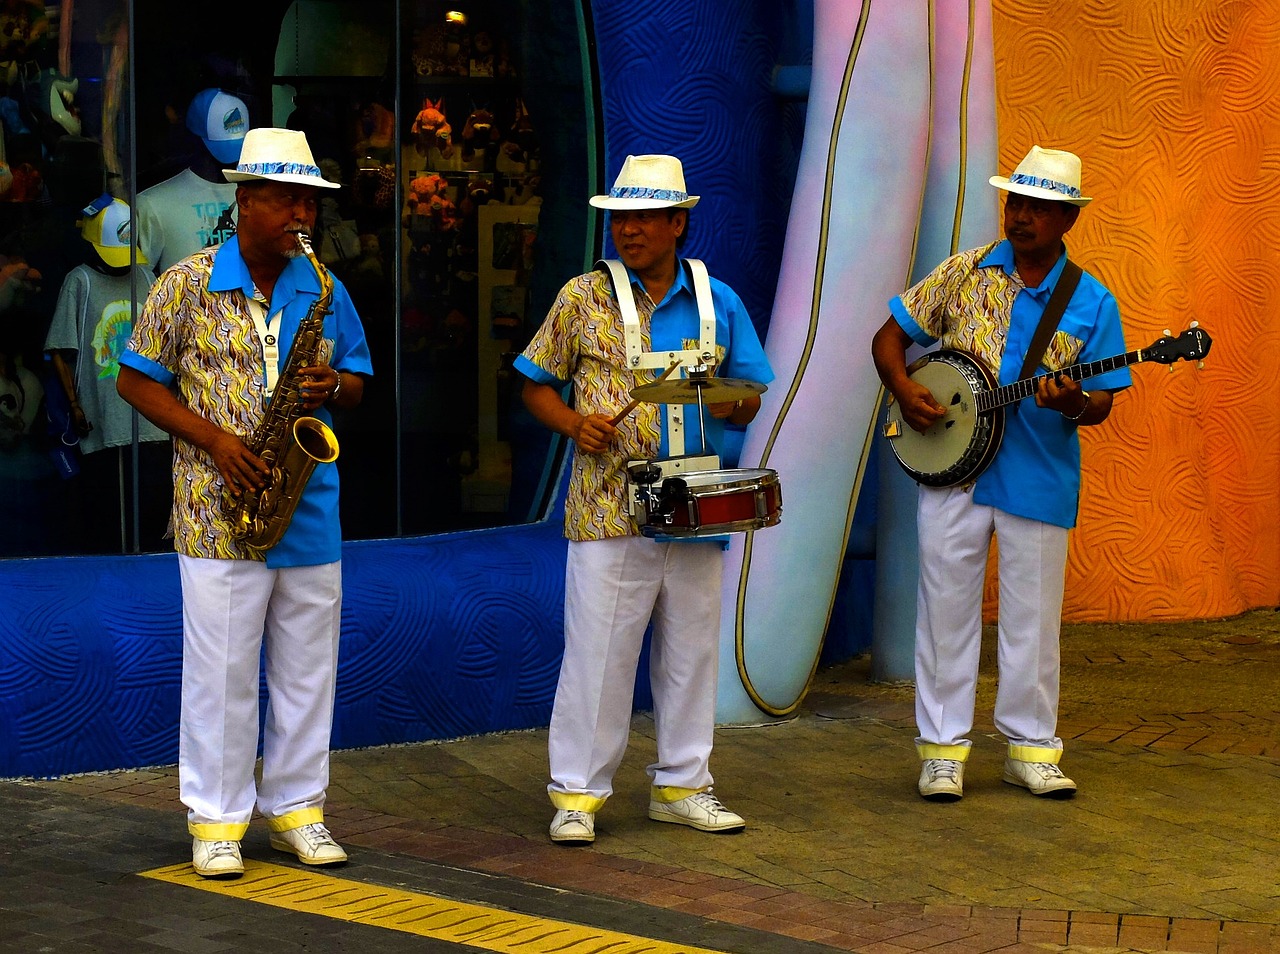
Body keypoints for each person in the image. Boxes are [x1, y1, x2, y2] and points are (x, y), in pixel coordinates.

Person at [117, 127, 373, 877]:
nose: (302, 214)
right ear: (246, 201)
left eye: (310, 203)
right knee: (222, 672)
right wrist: (217, 441)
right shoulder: (185, 283)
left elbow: (358, 382)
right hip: (216, 507)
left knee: (308, 672)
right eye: (287, 200)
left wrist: (336, 386)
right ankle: (217, 820)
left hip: (309, 504)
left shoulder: (324, 287)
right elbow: (134, 381)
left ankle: (299, 810)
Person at [516, 154, 773, 845]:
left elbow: (750, 393)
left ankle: (684, 785)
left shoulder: (719, 300)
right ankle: (577, 794)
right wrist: (575, 423)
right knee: (597, 656)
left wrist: (732, 402)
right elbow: (534, 384)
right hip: (606, 504)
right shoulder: (582, 297)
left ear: (677, 223)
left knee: (691, 653)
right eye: (619, 219)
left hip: (695, 502)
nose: (627, 230)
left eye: (643, 218)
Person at [871, 145, 1132, 802]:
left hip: (1038, 475)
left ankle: (1032, 750)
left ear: (1068, 218)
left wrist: (1072, 402)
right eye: (1016, 202)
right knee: (943, 618)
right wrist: (904, 388)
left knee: (1032, 625)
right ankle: (941, 753)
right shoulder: (962, 273)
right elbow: (889, 337)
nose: (1021, 216)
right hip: (952, 471)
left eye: (1039, 207)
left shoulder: (1092, 301)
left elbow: (1101, 402)